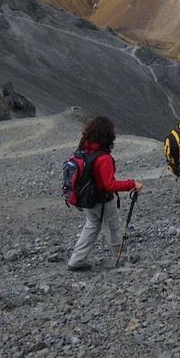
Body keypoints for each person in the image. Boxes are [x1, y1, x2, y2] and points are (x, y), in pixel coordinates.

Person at [67, 116, 143, 271]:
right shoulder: (103, 158)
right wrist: (132, 184)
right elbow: (110, 185)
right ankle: (120, 257)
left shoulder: (83, 150)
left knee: (91, 226)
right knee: (113, 227)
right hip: (102, 201)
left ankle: (76, 260)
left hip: (86, 198)